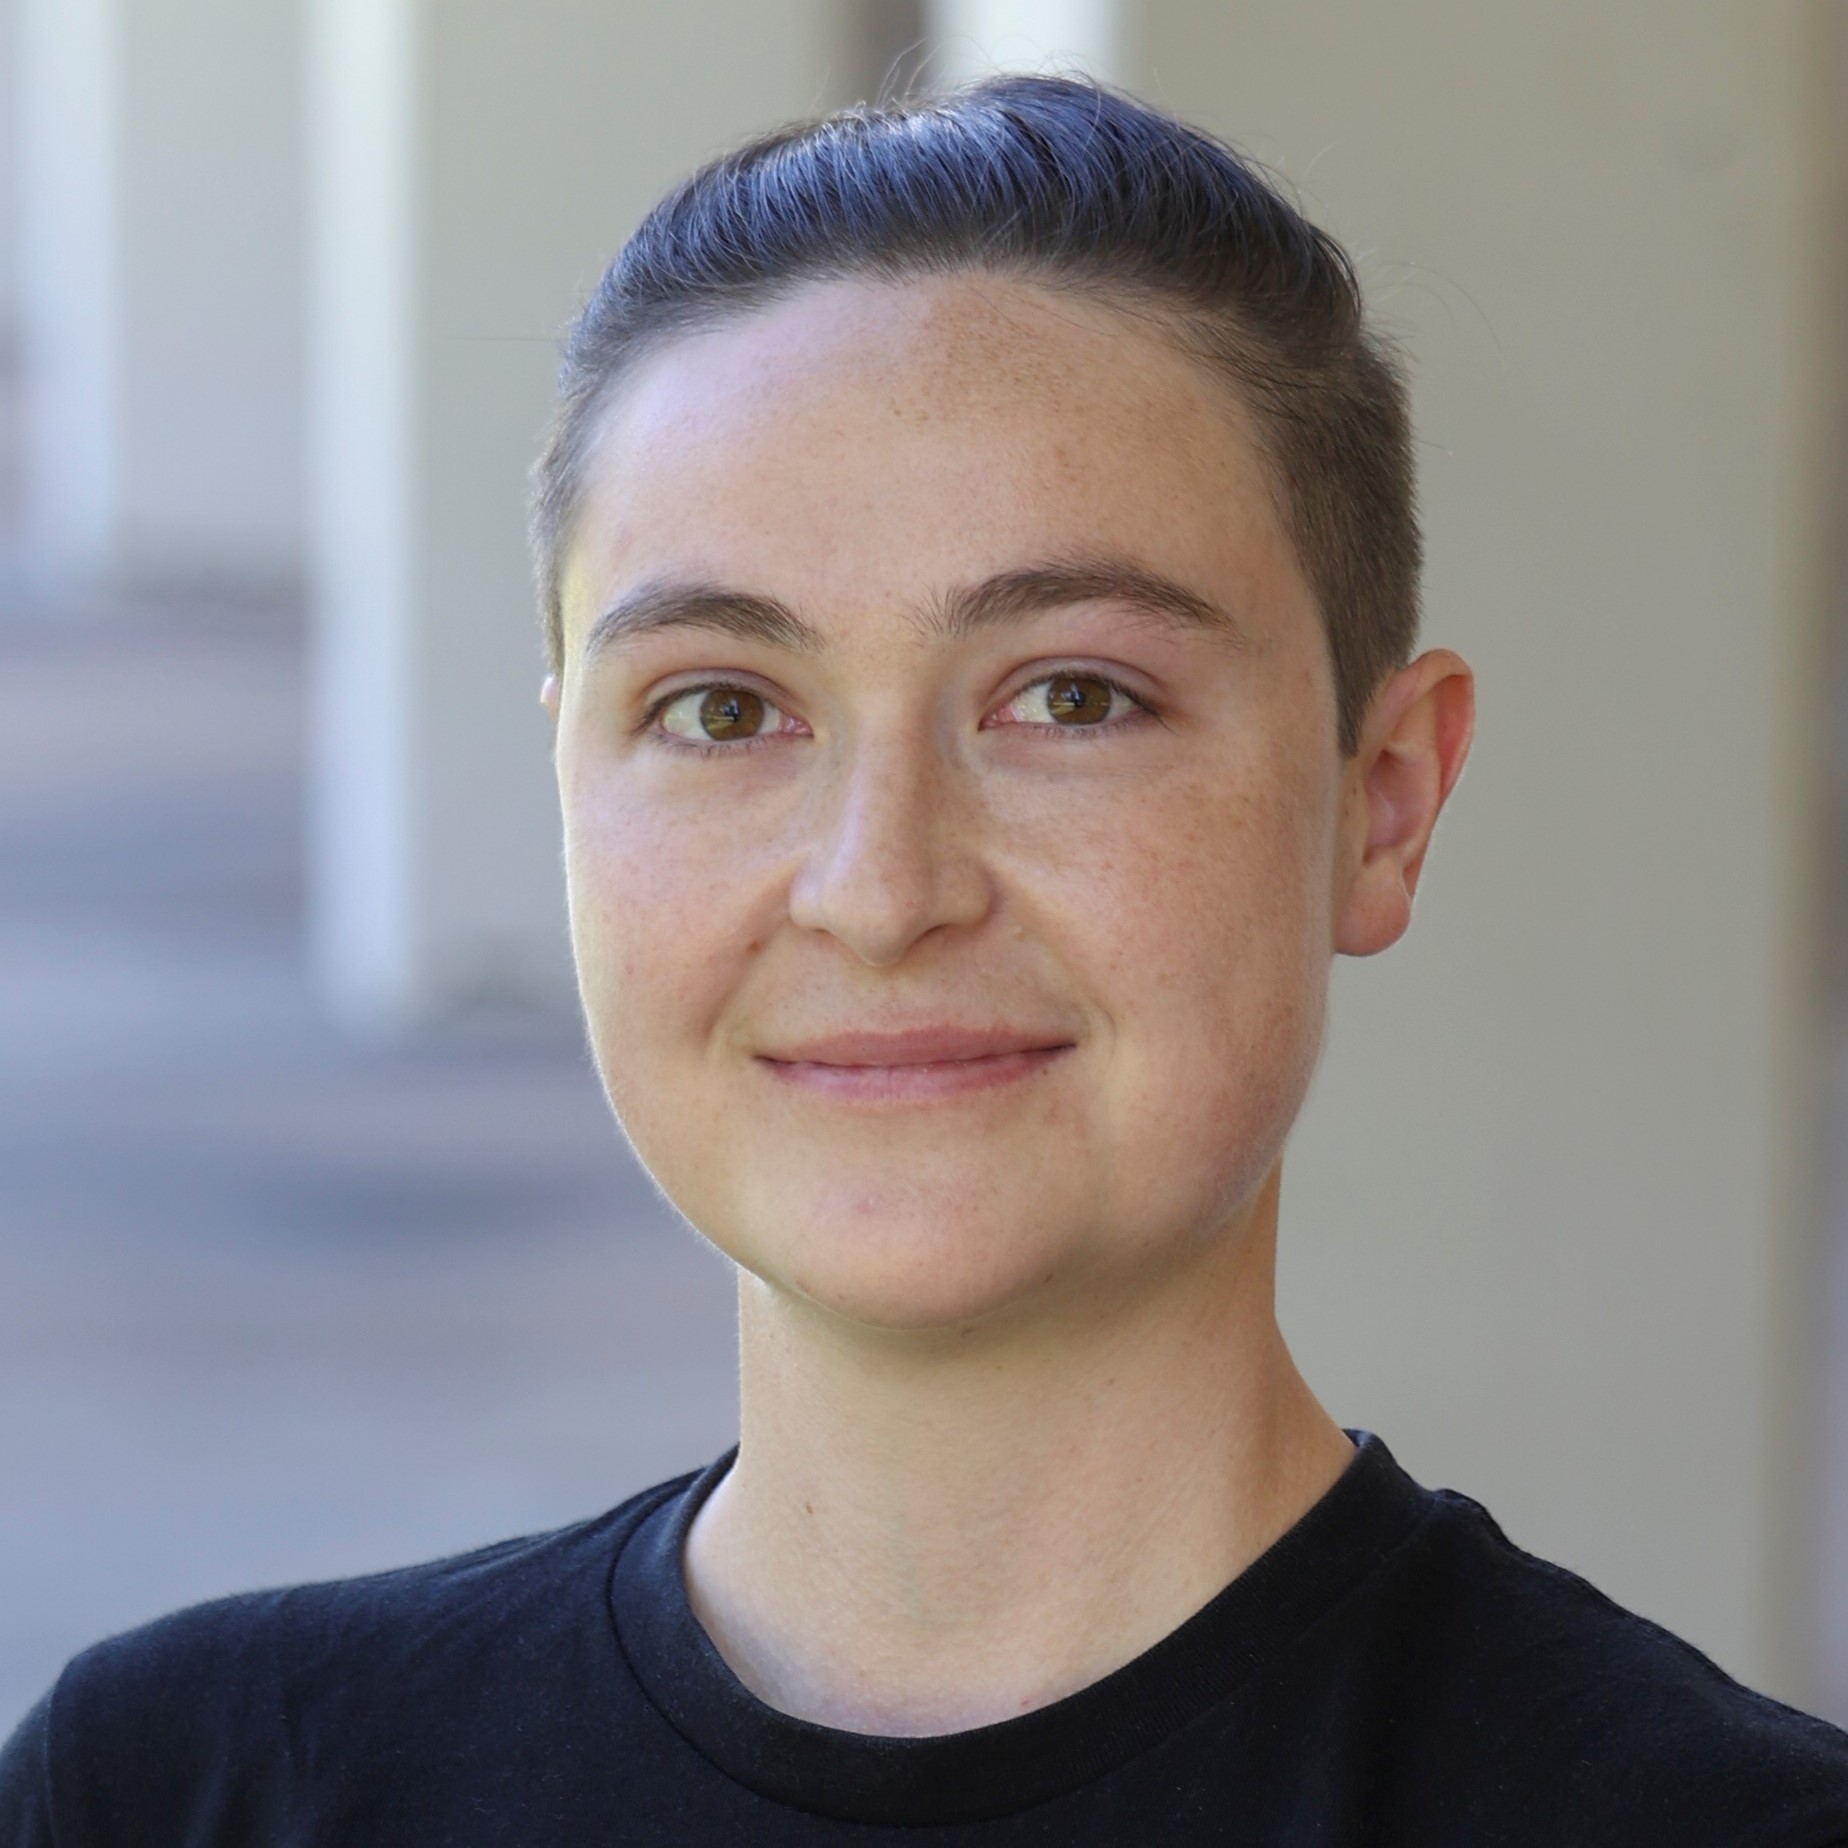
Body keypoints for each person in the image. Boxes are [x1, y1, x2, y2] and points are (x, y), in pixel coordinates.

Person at [4, 73, 1847, 1847]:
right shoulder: (185, 1789)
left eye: (1072, 697)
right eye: (725, 708)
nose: (879, 889)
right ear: (567, 785)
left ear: (1381, 802)